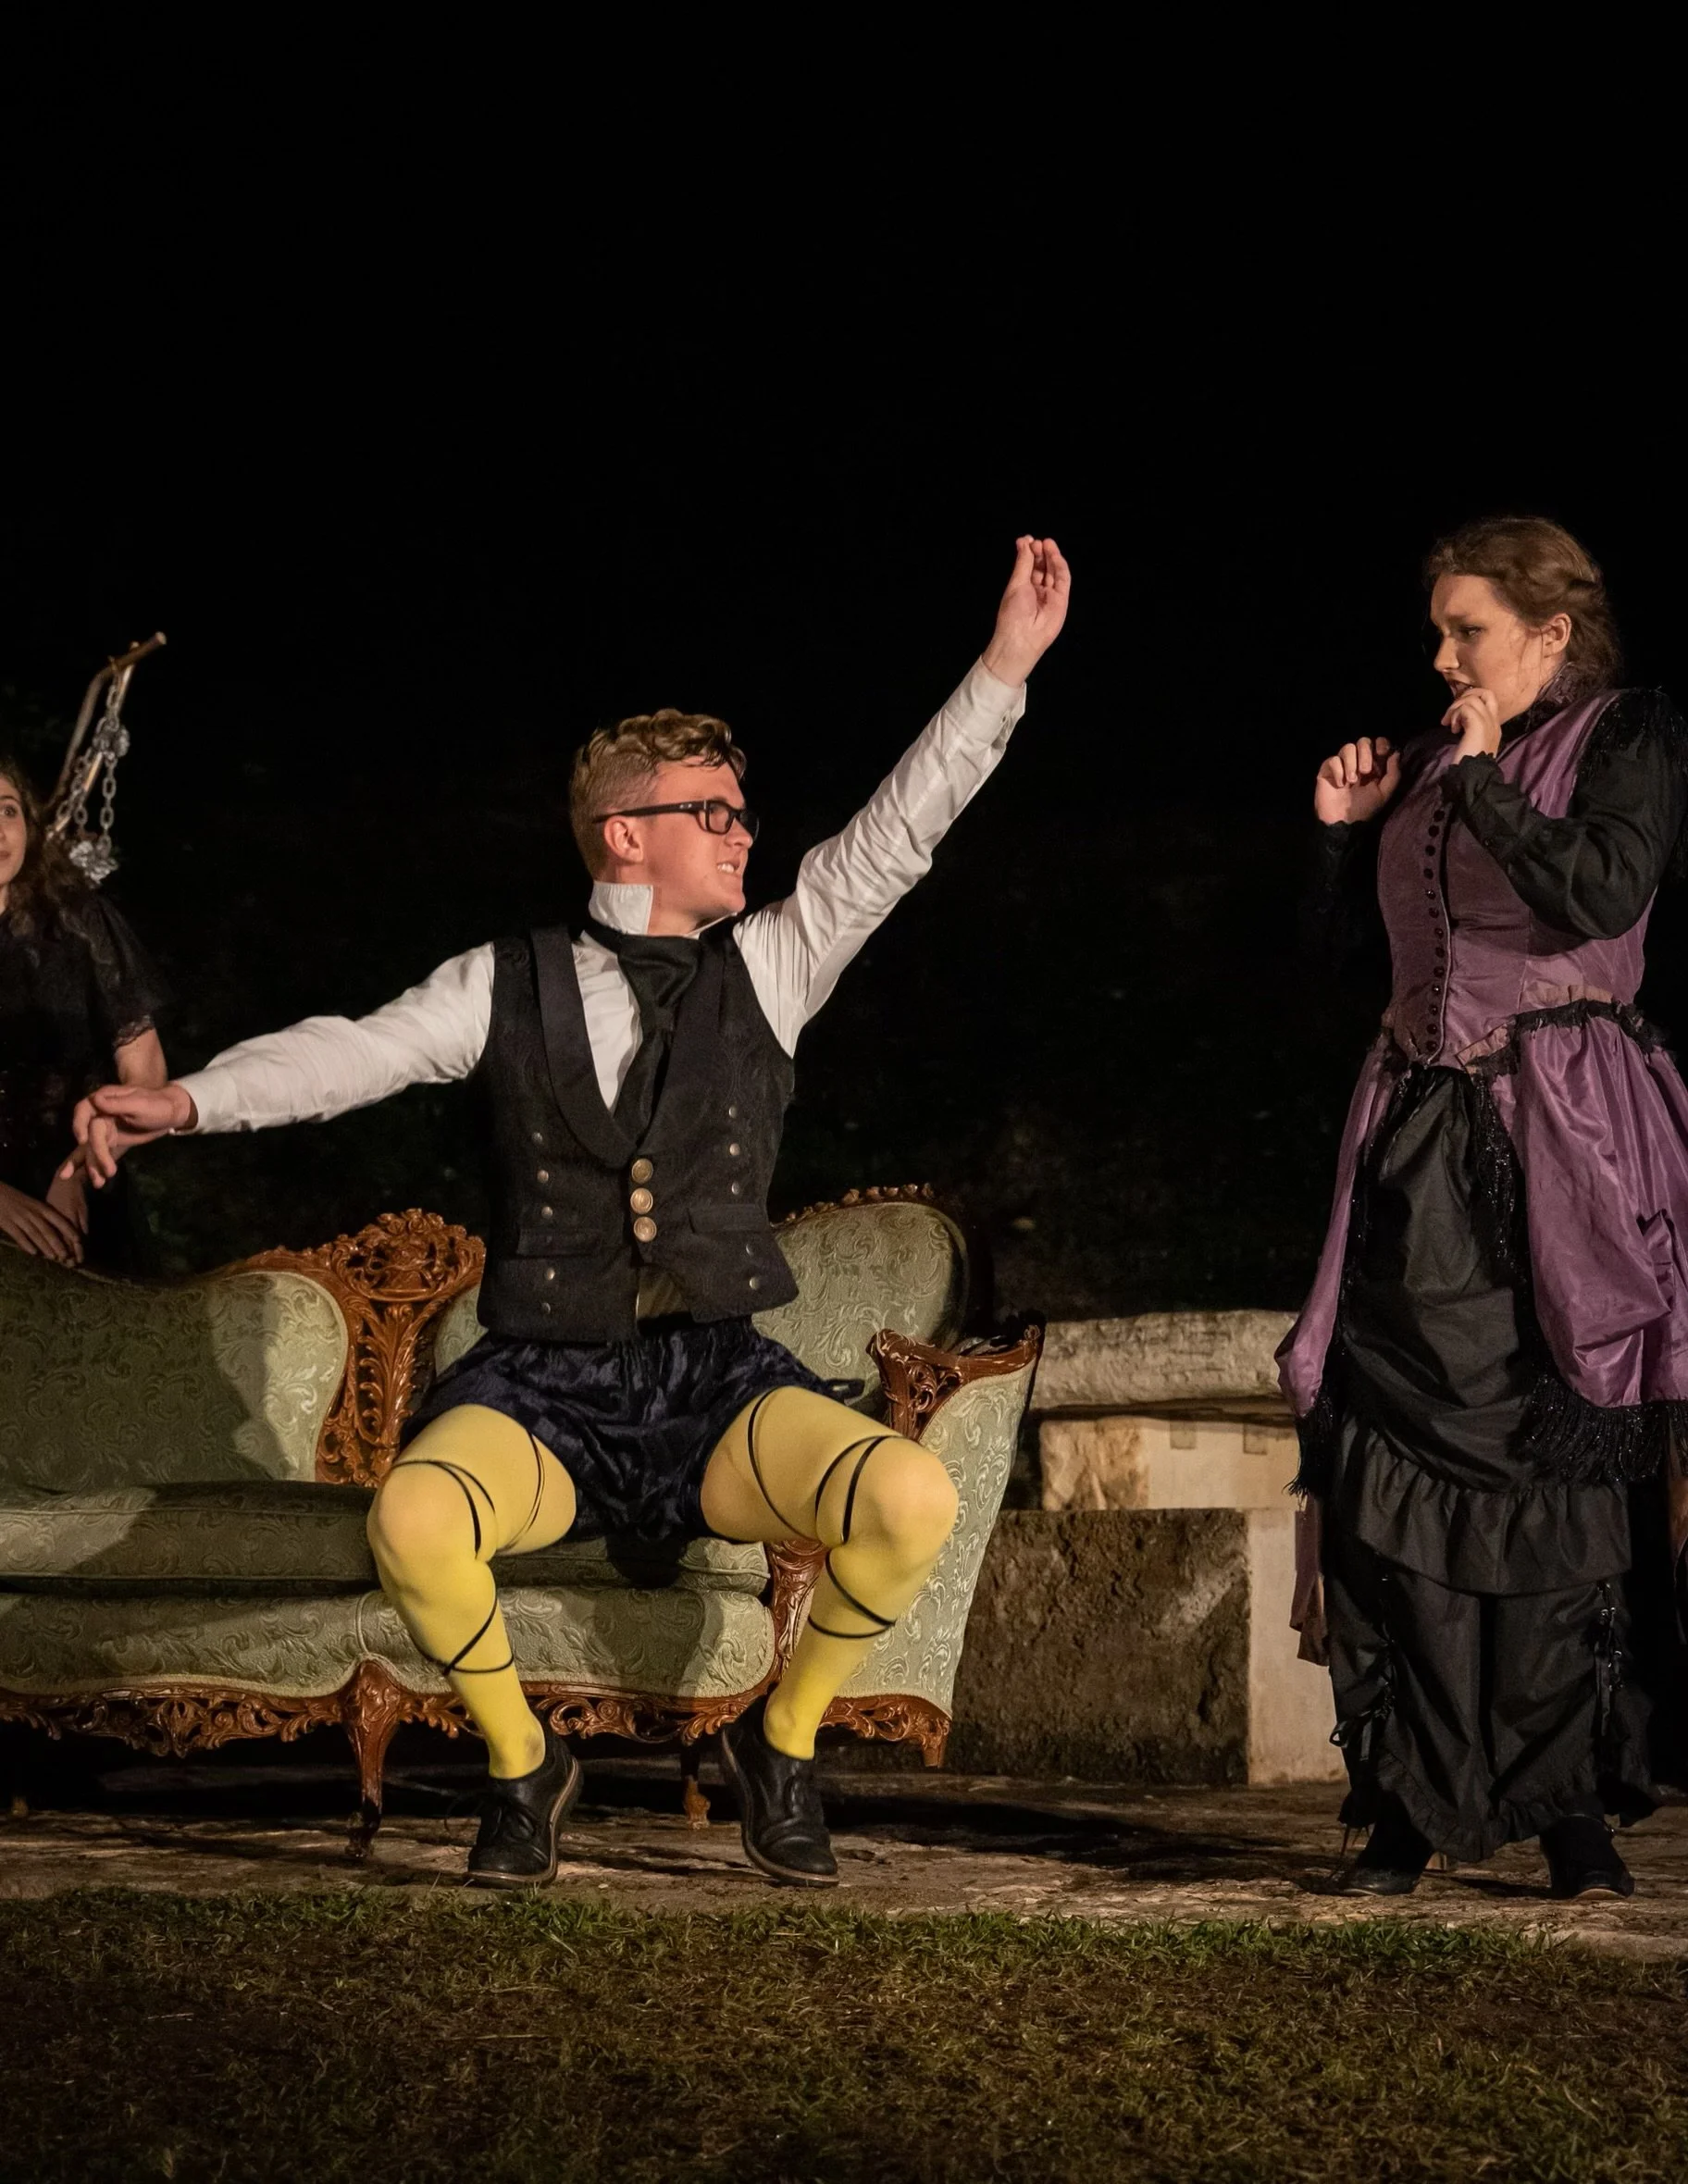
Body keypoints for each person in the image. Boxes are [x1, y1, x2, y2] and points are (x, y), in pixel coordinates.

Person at [68, 537, 1072, 1889]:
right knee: (413, 1519)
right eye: (714, 812)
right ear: (625, 833)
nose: (745, 831)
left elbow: (899, 835)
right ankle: (523, 1765)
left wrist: (1003, 667)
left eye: (743, 811)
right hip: (544, 1385)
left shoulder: (774, 963)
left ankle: (779, 1742)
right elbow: (349, 1053)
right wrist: (189, 1101)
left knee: (907, 1495)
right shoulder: (505, 981)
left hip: (714, 1381)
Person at [1281, 515, 1688, 1902]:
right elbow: (1346, 961)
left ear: (1550, 633)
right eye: (1439, 632)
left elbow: (1600, 890)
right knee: (1390, 1464)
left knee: (1551, 1467)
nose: (1444, 656)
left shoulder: (1627, 738)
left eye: (1470, 630)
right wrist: (1338, 836)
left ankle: (1569, 1807)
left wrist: (1485, 776)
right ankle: (1410, 1799)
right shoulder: (1427, 762)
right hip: (1414, 1147)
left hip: (1563, 1140)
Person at [0, 755, 168, 1272]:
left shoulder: (76, 924)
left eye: (7, 810)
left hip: (75, 1185)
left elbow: (146, 1073)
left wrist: (77, 1170)